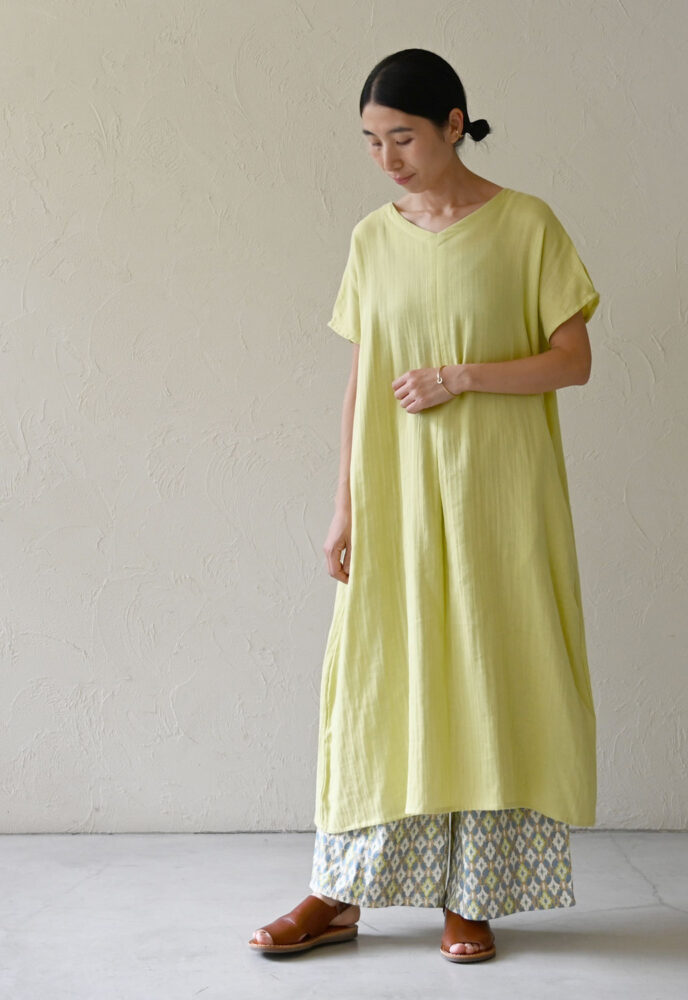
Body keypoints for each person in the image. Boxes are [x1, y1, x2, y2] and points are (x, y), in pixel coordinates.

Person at [249, 47, 599, 964]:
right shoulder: (372, 239)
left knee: (483, 675)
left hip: (498, 498)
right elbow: (361, 382)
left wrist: (462, 377)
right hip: (395, 497)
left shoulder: (526, 226)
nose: (387, 158)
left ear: (453, 124)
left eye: (401, 137)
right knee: (380, 680)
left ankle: (469, 895)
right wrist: (344, 506)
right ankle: (339, 893)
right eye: (371, 141)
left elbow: (573, 361)